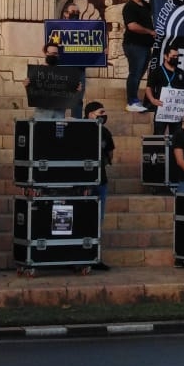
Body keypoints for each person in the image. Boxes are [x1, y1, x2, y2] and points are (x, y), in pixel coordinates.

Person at [84, 100, 114, 271]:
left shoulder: (105, 132)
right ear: (90, 114)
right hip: (82, 184)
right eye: (100, 112)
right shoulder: (80, 130)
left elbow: (110, 152)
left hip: (100, 181)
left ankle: (95, 257)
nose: (104, 115)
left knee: (97, 221)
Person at [122, 0, 155, 112]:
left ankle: (135, 100)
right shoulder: (130, 7)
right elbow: (132, 26)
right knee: (135, 73)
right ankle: (131, 101)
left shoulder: (145, 6)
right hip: (134, 45)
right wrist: (149, 31)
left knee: (140, 72)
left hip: (145, 46)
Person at [146, 43, 184, 135]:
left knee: (177, 137)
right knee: (159, 135)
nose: (175, 58)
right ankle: (157, 150)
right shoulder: (157, 71)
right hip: (162, 108)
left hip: (176, 110)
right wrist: (152, 100)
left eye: (177, 56)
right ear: (165, 56)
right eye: (173, 56)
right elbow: (149, 88)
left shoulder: (180, 72)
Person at [62, 2, 86, 119]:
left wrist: (102, 52)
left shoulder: (85, 30)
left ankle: (76, 125)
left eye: (77, 12)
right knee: (59, 99)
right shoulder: (57, 28)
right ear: (66, 14)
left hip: (79, 70)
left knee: (77, 101)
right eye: (73, 12)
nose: (75, 14)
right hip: (61, 69)